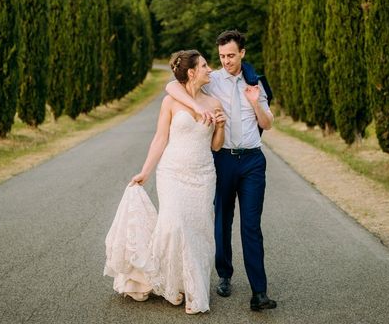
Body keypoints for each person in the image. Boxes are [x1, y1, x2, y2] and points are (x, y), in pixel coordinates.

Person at [104, 50, 226, 314]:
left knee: (198, 230)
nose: (210, 69)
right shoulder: (171, 102)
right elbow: (160, 139)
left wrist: (221, 127)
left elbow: (217, 147)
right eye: (205, 65)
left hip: (203, 175)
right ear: (192, 72)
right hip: (171, 172)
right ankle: (172, 285)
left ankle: (192, 289)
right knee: (173, 225)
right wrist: (144, 172)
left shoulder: (214, 103)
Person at [165, 30, 277, 311]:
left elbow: (268, 123)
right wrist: (193, 104)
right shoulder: (211, 80)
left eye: (230, 55)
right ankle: (224, 274)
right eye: (221, 57)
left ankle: (259, 292)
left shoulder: (255, 82)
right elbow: (172, 87)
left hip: (252, 160)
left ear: (242, 53)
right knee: (222, 220)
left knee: (251, 225)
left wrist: (254, 102)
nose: (225, 61)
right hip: (224, 160)